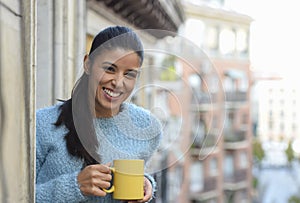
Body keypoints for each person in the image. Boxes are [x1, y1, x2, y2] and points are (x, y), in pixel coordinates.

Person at [36, 26, 162, 203]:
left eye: (129, 74)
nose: (118, 83)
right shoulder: (42, 125)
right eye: (110, 69)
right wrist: (75, 186)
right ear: (88, 63)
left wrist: (145, 184)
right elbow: (13, 195)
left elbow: (133, 178)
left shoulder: (146, 128)